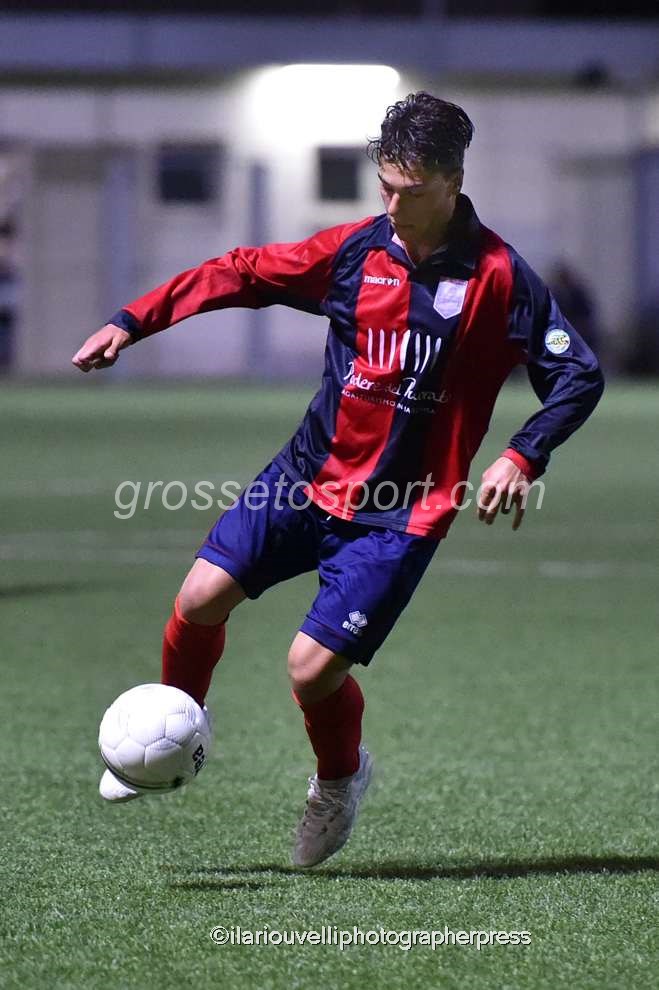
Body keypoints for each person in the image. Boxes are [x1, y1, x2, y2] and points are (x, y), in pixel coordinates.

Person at [72, 92, 604, 869]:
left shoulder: (499, 279)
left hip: (399, 514)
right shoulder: (356, 251)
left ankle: (338, 780)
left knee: (309, 669)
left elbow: (577, 375)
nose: (391, 205)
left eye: (409, 192)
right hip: (305, 477)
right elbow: (240, 272)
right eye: (383, 186)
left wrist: (522, 453)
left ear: (453, 183)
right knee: (198, 599)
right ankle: (173, 724)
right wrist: (133, 320)